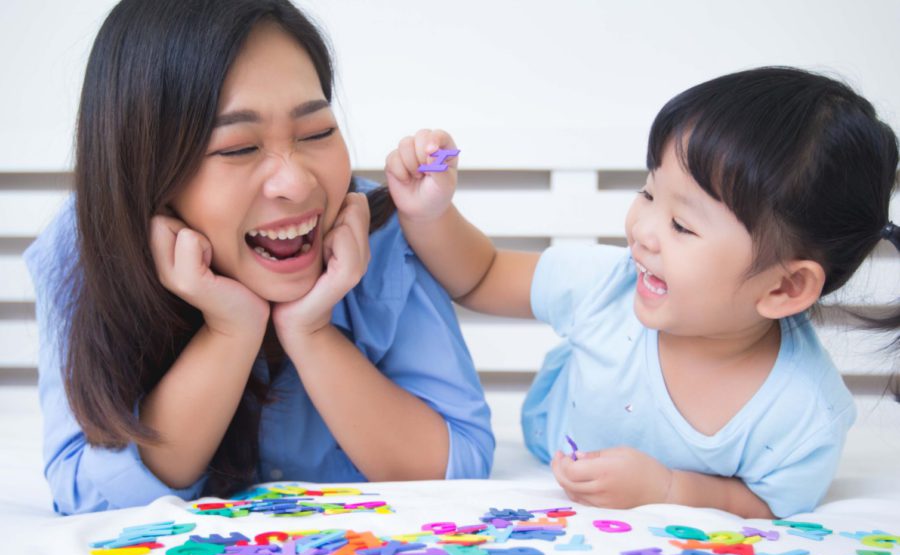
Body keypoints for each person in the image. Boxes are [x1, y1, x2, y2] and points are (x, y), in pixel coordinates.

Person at [24, 0, 493, 515]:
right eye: (237, 148)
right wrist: (229, 331)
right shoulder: (87, 247)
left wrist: (311, 333)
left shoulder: (377, 233)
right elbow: (85, 495)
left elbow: (460, 462)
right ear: (147, 172)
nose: (297, 183)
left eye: (316, 133)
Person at [387, 67, 899, 518]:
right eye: (648, 192)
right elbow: (482, 275)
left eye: (681, 224)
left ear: (786, 286)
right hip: (545, 450)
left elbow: (767, 503)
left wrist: (669, 489)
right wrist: (430, 213)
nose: (642, 230)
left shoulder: (803, 414)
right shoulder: (606, 286)